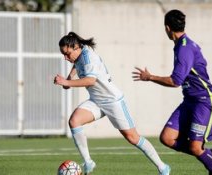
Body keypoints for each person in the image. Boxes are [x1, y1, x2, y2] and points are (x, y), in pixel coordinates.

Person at [54, 32, 170, 175]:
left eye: (67, 53)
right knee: (74, 121)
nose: (65, 57)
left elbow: (91, 80)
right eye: (63, 54)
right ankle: (88, 161)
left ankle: (163, 167)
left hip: (113, 101)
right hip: (96, 101)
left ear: (76, 47)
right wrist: (70, 77)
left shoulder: (88, 57)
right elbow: (77, 65)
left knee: (133, 138)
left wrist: (67, 82)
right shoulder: (79, 54)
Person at [132, 9, 212, 175]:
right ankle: (209, 154)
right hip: (189, 102)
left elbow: (175, 81)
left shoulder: (185, 48)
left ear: (167, 28)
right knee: (167, 138)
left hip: (204, 101)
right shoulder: (181, 46)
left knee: (195, 147)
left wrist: (150, 77)